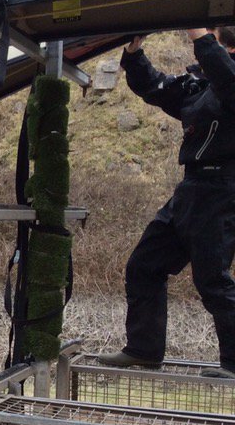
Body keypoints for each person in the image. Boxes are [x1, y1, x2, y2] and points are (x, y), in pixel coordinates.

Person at [99, 28, 235, 379]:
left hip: (222, 189)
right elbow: (155, 87)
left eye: (218, 40)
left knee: (213, 281)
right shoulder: (199, 85)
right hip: (191, 188)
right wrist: (134, 52)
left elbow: (227, 79)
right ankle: (143, 351)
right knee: (144, 265)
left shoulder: (226, 80)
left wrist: (202, 38)